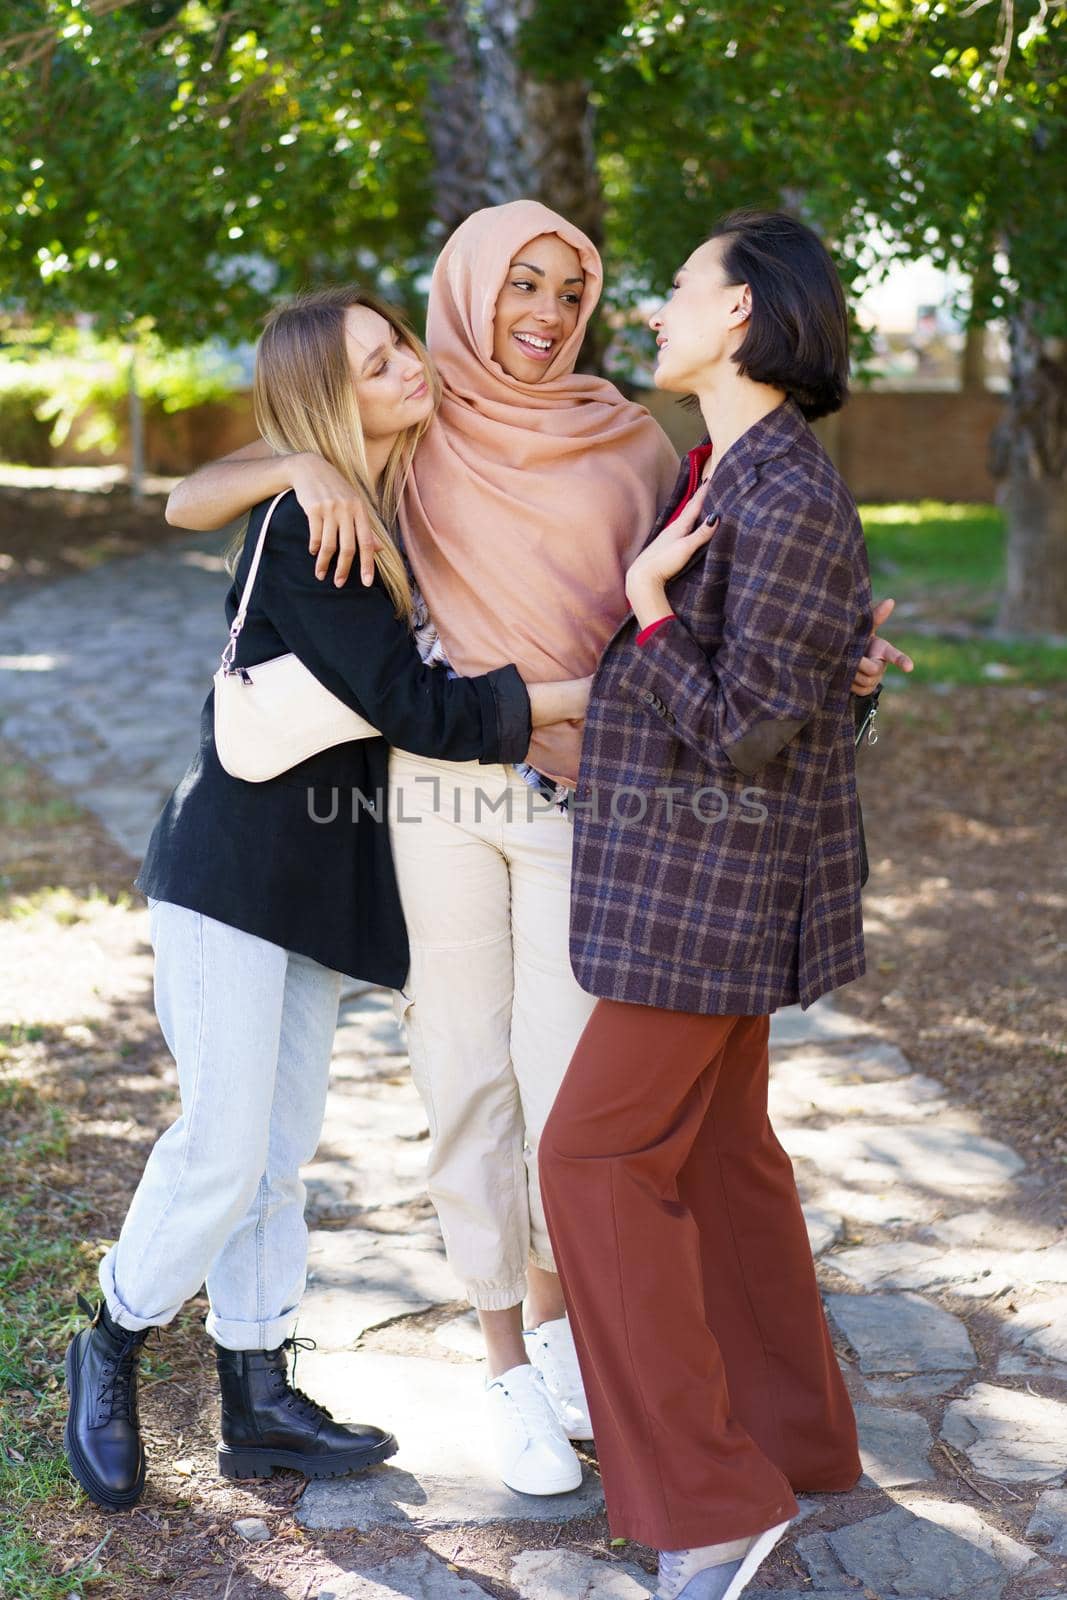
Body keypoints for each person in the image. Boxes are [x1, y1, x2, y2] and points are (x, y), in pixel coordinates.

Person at [165, 202, 905, 1497]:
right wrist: (307, 469)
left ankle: (565, 1342)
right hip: (442, 791)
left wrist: (833, 669)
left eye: (571, 288)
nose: (548, 313)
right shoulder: (414, 413)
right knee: (462, 1080)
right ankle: (503, 1364)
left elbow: (719, 614)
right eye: (521, 283)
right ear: (465, 290)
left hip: (598, 799)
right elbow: (192, 493)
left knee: (570, 1097)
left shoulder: (634, 437)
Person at [62, 285, 590, 1513]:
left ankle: (257, 1393)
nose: (406, 365)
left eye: (399, 342)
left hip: (309, 886)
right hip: (229, 876)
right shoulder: (318, 528)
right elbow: (426, 716)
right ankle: (112, 1333)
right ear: (327, 399)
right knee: (224, 1141)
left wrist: (314, 454)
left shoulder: (385, 492)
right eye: (372, 364)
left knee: (278, 1153)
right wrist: (587, 694)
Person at [538, 209, 880, 1600]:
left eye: (678, 288)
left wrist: (648, 607)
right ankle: (790, 1450)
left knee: (591, 1162)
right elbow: (805, 687)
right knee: (722, 1163)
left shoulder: (780, 488)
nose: (656, 308)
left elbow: (742, 727)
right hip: (693, 880)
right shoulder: (724, 470)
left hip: (711, 897)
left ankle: (704, 1498)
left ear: (740, 313)